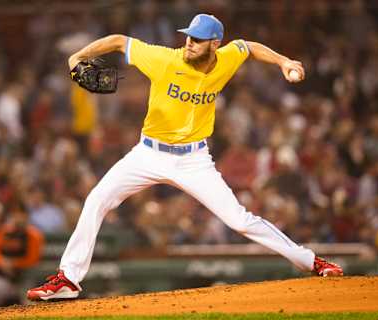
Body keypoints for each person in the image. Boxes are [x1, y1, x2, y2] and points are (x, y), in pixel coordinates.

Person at [27, 13, 343, 301]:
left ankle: (310, 260)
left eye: (197, 39)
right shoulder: (165, 59)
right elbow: (118, 41)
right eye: (188, 36)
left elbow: (248, 47)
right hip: (148, 154)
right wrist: (80, 56)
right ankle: (68, 278)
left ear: (215, 44)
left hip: (194, 160)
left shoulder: (226, 58)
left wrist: (283, 61)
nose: (189, 43)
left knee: (239, 220)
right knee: (97, 199)